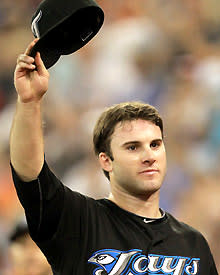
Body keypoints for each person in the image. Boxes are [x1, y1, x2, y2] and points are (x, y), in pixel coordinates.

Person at [10, 40, 218, 275]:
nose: (149, 155)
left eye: (155, 144)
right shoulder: (80, 222)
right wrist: (29, 103)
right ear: (106, 160)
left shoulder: (193, 244)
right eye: (133, 147)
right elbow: (30, 173)